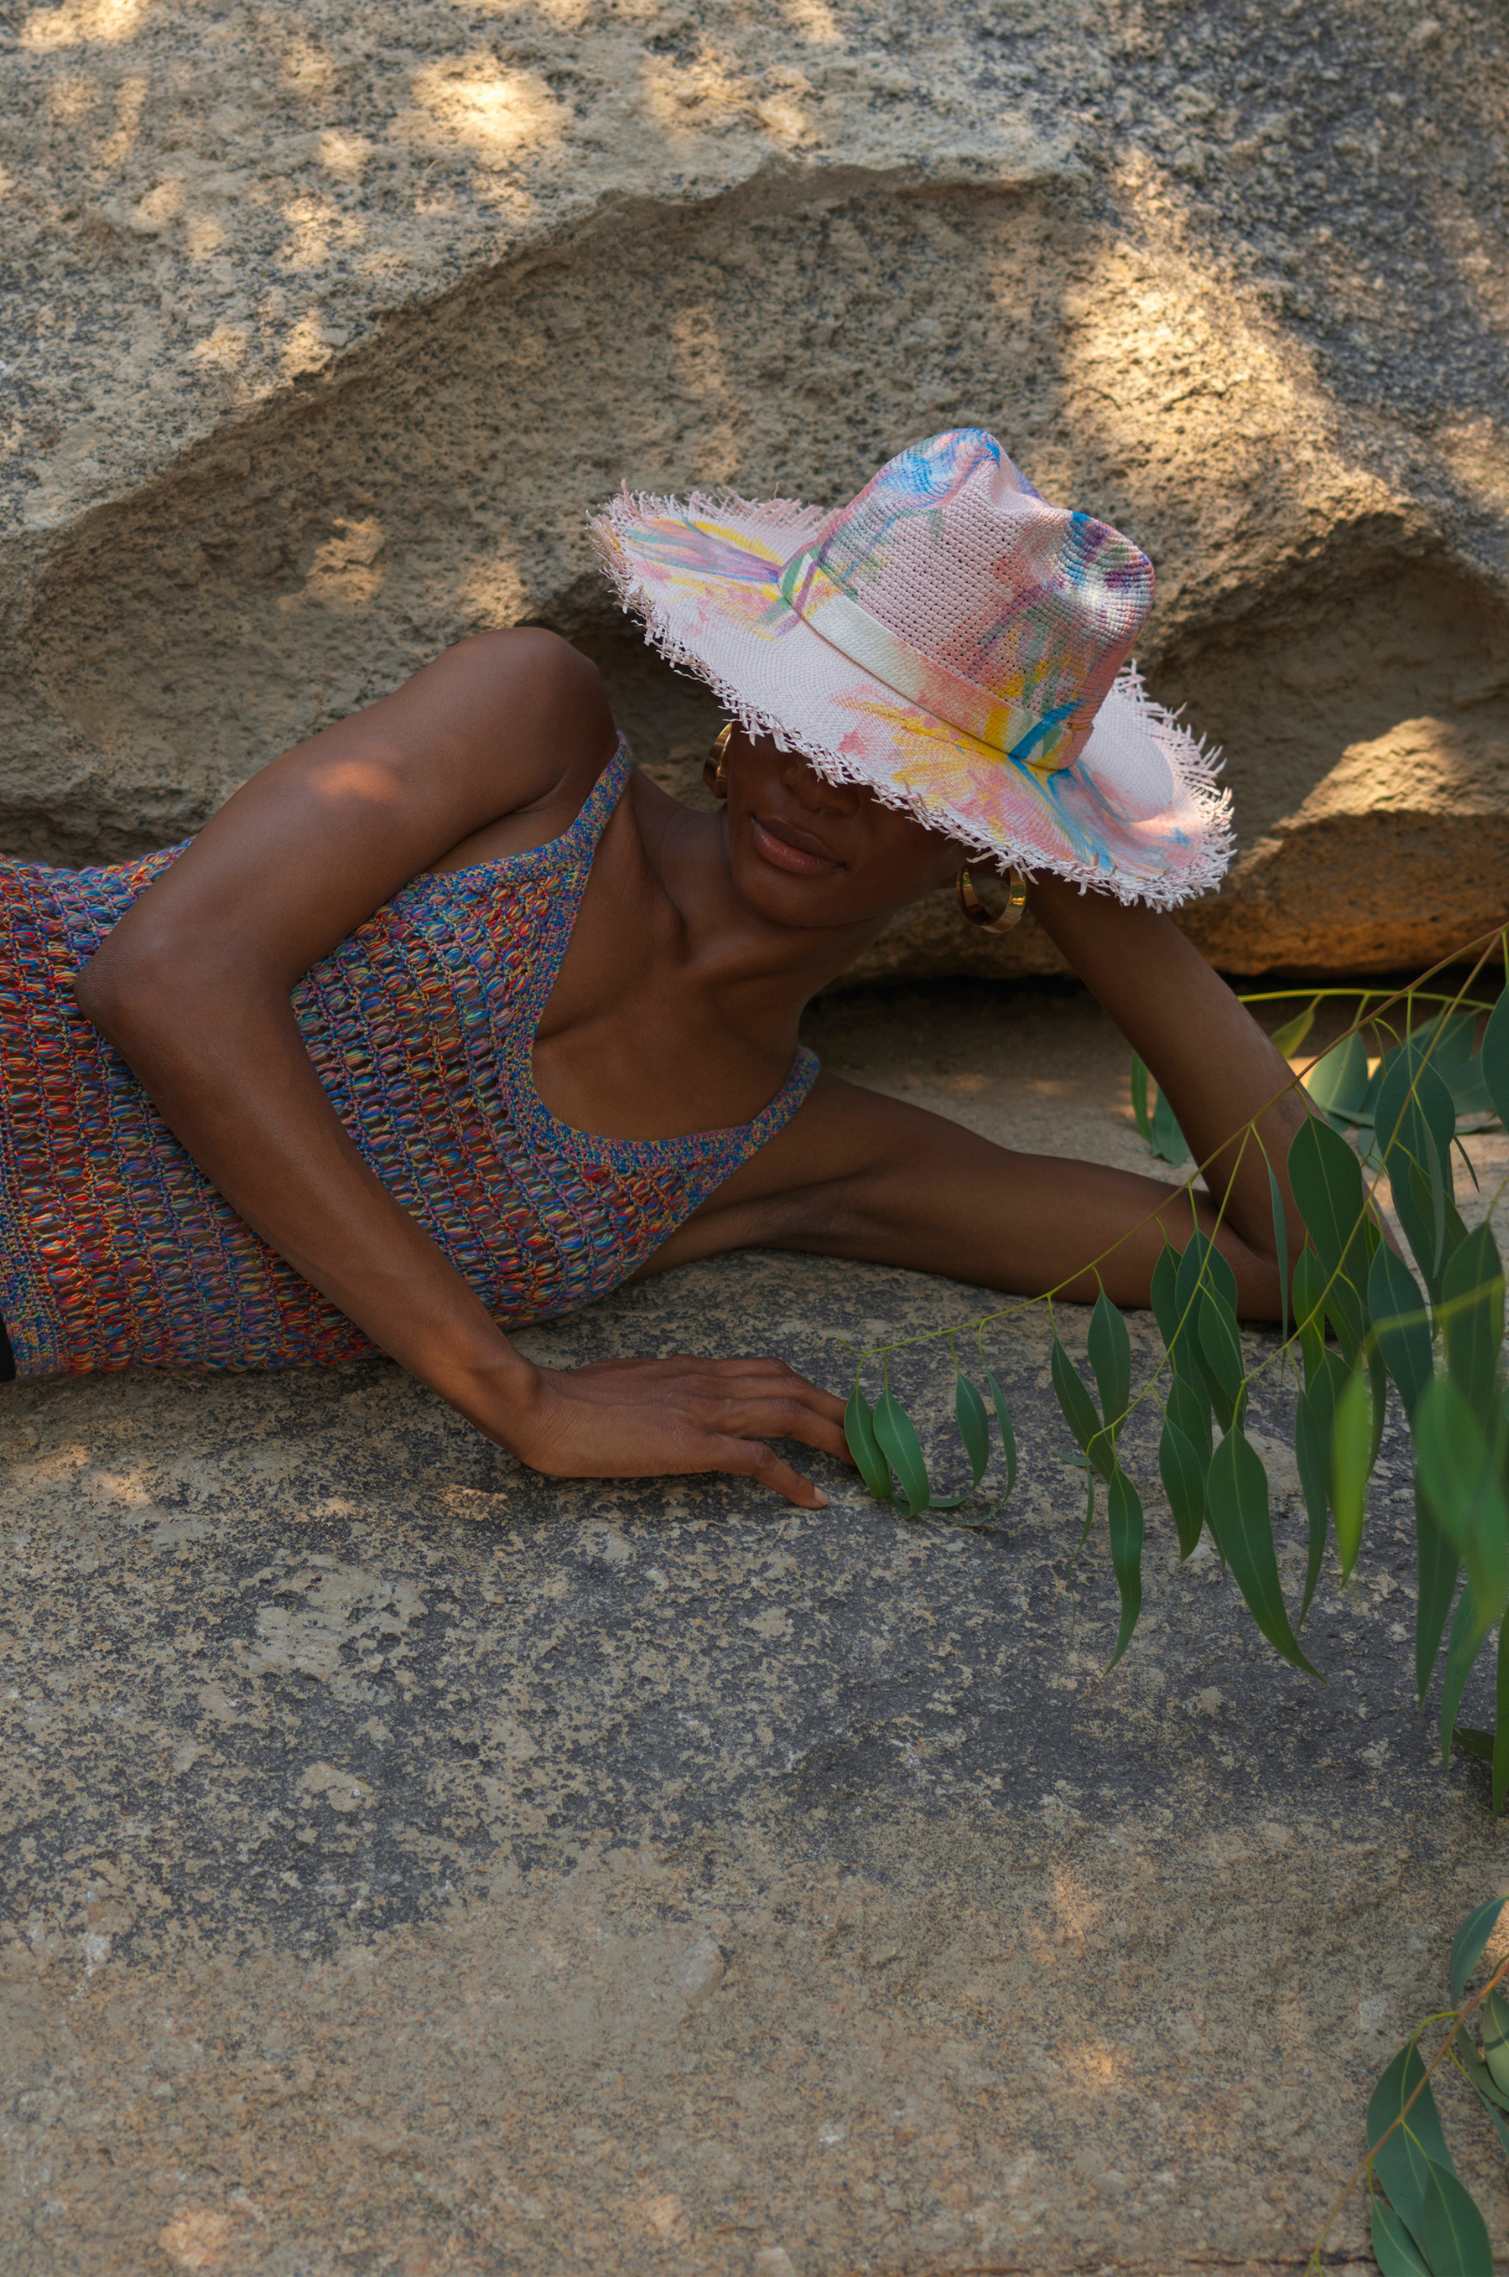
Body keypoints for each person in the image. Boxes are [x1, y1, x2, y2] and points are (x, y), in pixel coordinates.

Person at [0, 426, 1313, 1506]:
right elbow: (165, 975)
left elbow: (1308, 1274)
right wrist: (517, 1395)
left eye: (905, 776)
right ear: (739, 712)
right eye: (805, 714)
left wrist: (1094, 901)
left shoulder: (789, 1156)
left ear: (983, 848)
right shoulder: (534, 732)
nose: (821, 784)